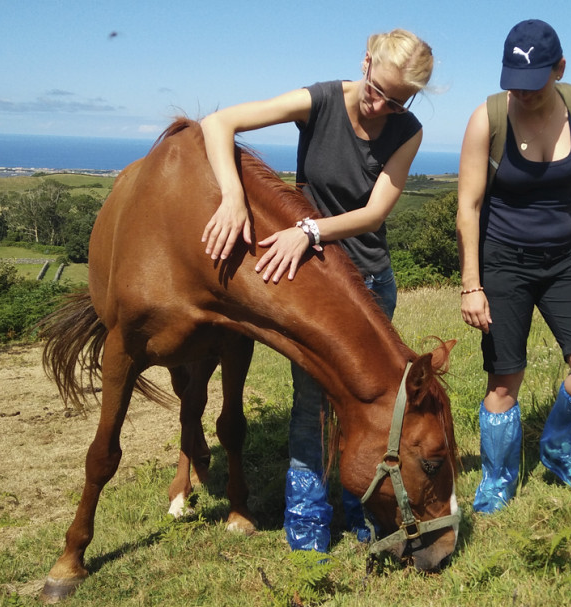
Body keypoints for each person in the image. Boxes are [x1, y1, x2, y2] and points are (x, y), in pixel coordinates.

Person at [200, 29, 434, 549]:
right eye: (377, 90)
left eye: (398, 101)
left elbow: (373, 214)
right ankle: (307, 523)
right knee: (312, 403)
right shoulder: (322, 100)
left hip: (370, 283)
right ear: (365, 62)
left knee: (369, 405)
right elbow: (218, 123)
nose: (381, 107)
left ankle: (361, 506)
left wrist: (308, 230)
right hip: (319, 288)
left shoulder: (407, 130)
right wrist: (233, 198)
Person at [456, 19, 571, 513]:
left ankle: (561, 446)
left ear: (559, 68)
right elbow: (468, 207)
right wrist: (471, 284)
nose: (522, 94)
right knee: (505, 380)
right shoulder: (487, 118)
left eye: (533, 83)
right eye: (514, 83)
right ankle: (498, 479)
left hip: (567, 258)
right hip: (503, 261)